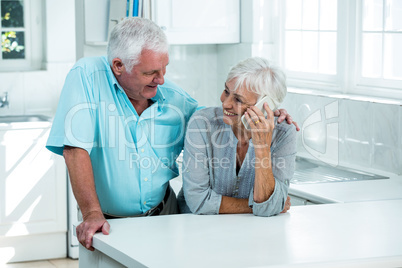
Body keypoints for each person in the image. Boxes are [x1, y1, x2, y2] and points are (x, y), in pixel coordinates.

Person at [46, 18, 298, 251]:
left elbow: (218, 120)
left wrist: (271, 112)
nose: (162, 80)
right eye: (150, 73)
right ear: (119, 66)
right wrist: (91, 213)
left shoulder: (176, 100)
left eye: (165, 68)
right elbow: (74, 149)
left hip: (165, 218)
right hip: (106, 223)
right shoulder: (87, 76)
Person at [178, 57, 296, 216]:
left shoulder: (283, 133)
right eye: (226, 91)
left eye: (238, 99)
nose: (225, 103)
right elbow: (199, 201)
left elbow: (270, 207)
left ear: (264, 105)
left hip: (250, 232)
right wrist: (260, 206)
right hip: (196, 228)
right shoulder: (202, 123)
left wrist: (262, 146)